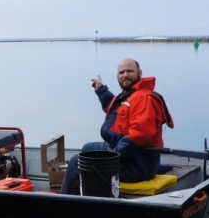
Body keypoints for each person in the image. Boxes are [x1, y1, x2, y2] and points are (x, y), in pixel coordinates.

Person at [60, 58, 174, 195]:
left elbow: (140, 135)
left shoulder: (143, 98)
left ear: (140, 72)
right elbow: (115, 109)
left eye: (130, 71)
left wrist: (111, 156)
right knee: (87, 148)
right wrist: (101, 89)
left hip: (137, 165)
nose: (125, 75)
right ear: (117, 76)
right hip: (136, 157)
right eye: (121, 72)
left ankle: (65, 203)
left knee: (76, 162)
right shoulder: (132, 95)